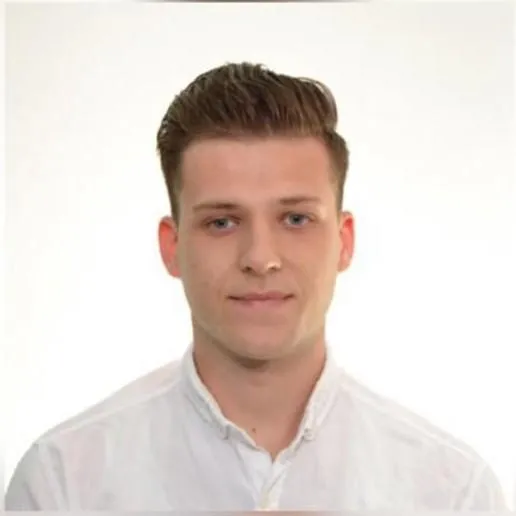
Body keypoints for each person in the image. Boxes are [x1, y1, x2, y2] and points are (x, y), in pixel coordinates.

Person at [6, 62, 507, 511]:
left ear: (344, 241)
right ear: (171, 247)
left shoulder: (453, 493)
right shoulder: (61, 484)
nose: (260, 258)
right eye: (222, 222)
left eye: (295, 218)